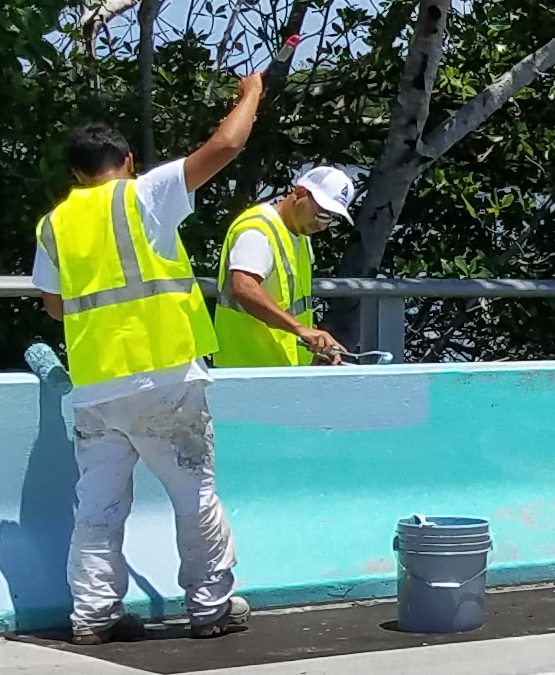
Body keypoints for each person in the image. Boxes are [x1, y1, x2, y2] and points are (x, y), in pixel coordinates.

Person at [31, 71, 269, 641]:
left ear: (75, 175)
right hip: (166, 379)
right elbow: (226, 145)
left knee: (97, 509)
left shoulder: (54, 225)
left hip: (96, 389)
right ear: (129, 161)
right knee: (194, 496)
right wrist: (252, 94)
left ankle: (94, 614)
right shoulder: (145, 195)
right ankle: (210, 608)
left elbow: (54, 307)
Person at [216, 165, 356, 368]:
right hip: (249, 367)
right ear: (300, 192)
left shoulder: (300, 236)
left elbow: (293, 306)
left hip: (282, 367)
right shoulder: (257, 230)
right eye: (322, 213)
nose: (322, 225)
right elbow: (244, 288)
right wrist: (300, 329)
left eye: (332, 219)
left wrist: (312, 339)